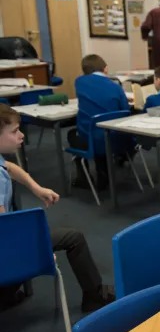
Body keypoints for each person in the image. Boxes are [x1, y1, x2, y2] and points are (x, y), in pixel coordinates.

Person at [0, 105, 115, 312]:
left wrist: (36, 188)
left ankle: (6, 294)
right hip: (6, 253)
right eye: (15, 131)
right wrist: (36, 251)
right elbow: (4, 232)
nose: (22, 135)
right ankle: (95, 296)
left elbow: (9, 167)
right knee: (74, 238)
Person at [69, 54, 131, 190]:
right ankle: (119, 160)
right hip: (118, 139)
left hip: (92, 139)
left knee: (72, 135)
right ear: (106, 69)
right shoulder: (116, 87)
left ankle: (84, 178)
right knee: (104, 133)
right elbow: (126, 110)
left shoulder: (79, 82)